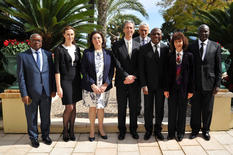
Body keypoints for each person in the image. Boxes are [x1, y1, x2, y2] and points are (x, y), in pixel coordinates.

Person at [17, 33, 56, 148]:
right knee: (31, 117)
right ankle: (33, 138)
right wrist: (24, 94)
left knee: (45, 116)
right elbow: (21, 77)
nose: (36, 42)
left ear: (42, 42)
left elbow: (52, 73)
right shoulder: (23, 56)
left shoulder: (48, 55)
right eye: (34, 40)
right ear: (30, 41)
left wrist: (53, 89)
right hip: (30, 93)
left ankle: (45, 136)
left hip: (46, 92)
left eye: (39, 40)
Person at [189, 24, 221, 141]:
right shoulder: (191, 46)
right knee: (195, 109)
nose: (204, 34)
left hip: (210, 84)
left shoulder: (215, 46)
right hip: (195, 84)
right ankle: (194, 130)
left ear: (209, 32)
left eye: (206, 32)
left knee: (208, 109)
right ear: (198, 33)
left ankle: (206, 130)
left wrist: (217, 85)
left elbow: (218, 68)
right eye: (201, 32)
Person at [81, 31, 114, 142]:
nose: (97, 40)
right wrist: (92, 84)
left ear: (103, 39)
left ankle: (101, 128)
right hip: (91, 86)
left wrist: (106, 84)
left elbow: (111, 71)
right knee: (93, 108)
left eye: (99, 38)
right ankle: (91, 130)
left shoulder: (109, 53)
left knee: (101, 108)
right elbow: (83, 70)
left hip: (104, 87)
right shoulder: (87, 53)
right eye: (94, 38)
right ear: (91, 40)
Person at [112, 20, 141, 140]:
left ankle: (133, 129)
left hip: (134, 82)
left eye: (131, 28)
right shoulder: (116, 45)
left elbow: (140, 64)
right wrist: (125, 76)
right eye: (127, 28)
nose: (129, 30)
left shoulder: (139, 46)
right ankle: (122, 130)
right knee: (122, 107)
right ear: (123, 29)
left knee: (134, 108)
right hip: (122, 82)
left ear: (134, 30)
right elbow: (117, 63)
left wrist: (133, 76)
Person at [139, 28, 169, 140]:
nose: (156, 36)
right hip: (148, 86)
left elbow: (167, 69)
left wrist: (166, 86)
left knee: (160, 109)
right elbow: (141, 69)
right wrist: (143, 84)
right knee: (148, 109)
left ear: (161, 36)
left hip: (161, 86)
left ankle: (158, 130)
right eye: (154, 34)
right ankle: (148, 130)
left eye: (158, 34)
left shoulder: (166, 48)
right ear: (150, 36)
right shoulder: (143, 49)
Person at [164, 32, 194, 141]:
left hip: (184, 90)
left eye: (180, 41)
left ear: (183, 42)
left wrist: (191, 90)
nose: (178, 43)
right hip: (171, 89)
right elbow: (166, 74)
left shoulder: (189, 56)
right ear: (173, 43)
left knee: (182, 111)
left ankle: (180, 133)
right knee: (172, 111)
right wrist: (166, 89)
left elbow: (192, 75)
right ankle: (171, 133)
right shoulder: (169, 56)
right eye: (176, 41)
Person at [54, 26, 82, 142]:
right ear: (64, 35)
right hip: (65, 80)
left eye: (72, 34)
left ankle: (72, 130)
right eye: (68, 34)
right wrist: (58, 87)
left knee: (74, 107)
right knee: (69, 106)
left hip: (76, 80)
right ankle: (65, 129)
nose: (70, 36)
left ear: (74, 36)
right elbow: (57, 70)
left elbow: (80, 66)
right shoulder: (59, 49)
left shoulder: (77, 48)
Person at [134, 22, 151, 117]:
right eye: (142, 30)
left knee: (148, 93)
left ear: (148, 31)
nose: (143, 32)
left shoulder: (152, 41)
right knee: (137, 94)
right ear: (138, 31)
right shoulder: (134, 41)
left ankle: (147, 112)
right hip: (136, 72)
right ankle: (137, 112)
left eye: (145, 30)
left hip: (148, 73)